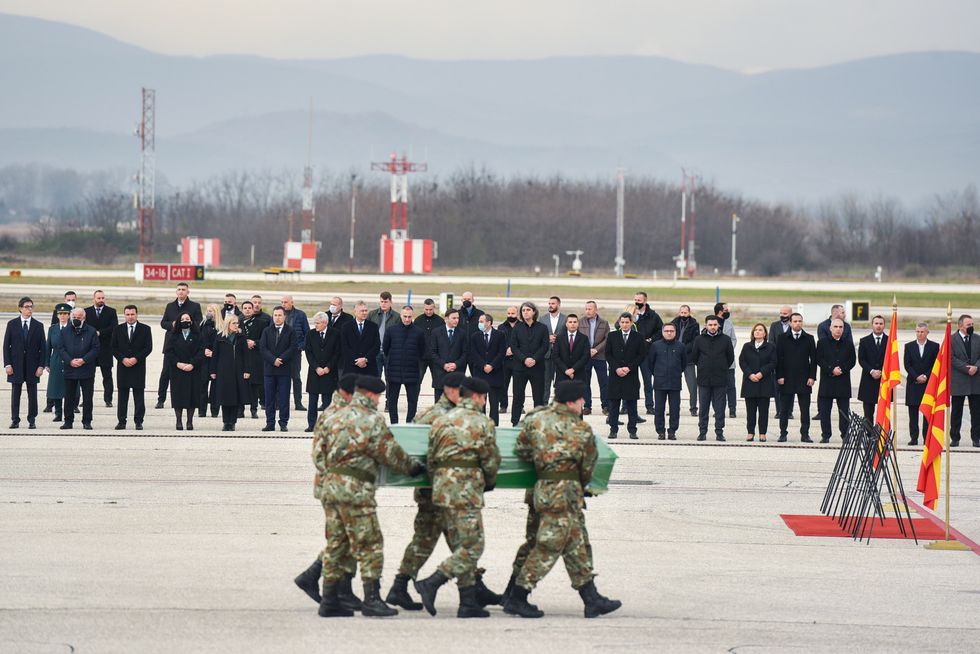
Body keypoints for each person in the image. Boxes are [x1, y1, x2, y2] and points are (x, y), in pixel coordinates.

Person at [503, 380, 621, 619]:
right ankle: (518, 595)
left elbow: (521, 450)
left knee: (577, 543)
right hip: (565, 494)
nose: (583, 404)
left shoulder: (535, 419)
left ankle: (591, 598)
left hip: (541, 490)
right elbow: (588, 467)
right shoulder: (581, 429)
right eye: (581, 400)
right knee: (548, 546)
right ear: (571, 402)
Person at [386, 372, 500, 612]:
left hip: (437, 486)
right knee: (458, 542)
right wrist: (486, 481)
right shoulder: (439, 416)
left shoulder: (438, 417)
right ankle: (460, 591)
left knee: (448, 541)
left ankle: (470, 593)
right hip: (445, 490)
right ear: (451, 391)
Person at [317, 375, 424, 618]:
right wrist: (413, 468)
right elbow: (390, 453)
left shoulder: (331, 414)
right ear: (371, 395)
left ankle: (329, 600)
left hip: (331, 486)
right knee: (370, 543)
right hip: (356, 490)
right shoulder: (371, 419)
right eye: (378, 397)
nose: (378, 401)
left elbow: (318, 454)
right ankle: (372, 599)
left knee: (336, 542)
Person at [295, 373, 362, 611]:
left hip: (335, 486)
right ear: (348, 393)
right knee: (343, 537)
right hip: (336, 487)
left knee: (345, 537)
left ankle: (339, 587)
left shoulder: (335, 413)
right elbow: (319, 456)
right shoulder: (336, 415)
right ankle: (322, 583)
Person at [157, 283, 203, 409]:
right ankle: (161, 399)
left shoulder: (194, 306)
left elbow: (199, 323)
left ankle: (188, 400)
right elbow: (163, 323)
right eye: (179, 289)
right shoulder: (170, 306)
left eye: (183, 290)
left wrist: (187, 323)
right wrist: (173, 325)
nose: (181, 292)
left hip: (189, 345)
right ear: (176, 291)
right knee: (165, 373)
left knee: (188, 374)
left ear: (188, 292)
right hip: (171, 343)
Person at [691, 315, 735, 442]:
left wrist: (721, 367)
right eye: (710, 325)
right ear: (705, 325)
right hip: (704, 379)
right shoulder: (699, 339)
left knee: (720, 407)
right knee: (703, 407)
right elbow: (694, 357)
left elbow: (730, 357)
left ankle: (719, 432)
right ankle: (702, 432)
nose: (712, 327)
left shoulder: (725, 340)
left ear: (718, 325)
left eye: (715, 325)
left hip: (720, 379)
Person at [4, 296, 46, 429]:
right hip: (15, 366)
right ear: (20, 309)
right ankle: (15, 419)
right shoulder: (12, 324)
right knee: (15, 393)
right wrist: (8, 364)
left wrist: (41, 366)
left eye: (31, 307)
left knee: (32, 394)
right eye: (27, 307)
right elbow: (6, 346)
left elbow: (43, 348)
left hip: (33, 366)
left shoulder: (38, 326)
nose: (30, 309)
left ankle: (32, 419)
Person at [775, 313, 817, 443]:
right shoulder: (782, 338)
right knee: (784, 410)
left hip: (804, 380)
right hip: (786, 379)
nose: (797, 323)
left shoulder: (809, 338)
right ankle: (783, 433)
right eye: (795, 321)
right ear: (790, 323)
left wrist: (812, 377)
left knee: (805, 409)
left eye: (800, 321)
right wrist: (779, 376)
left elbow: (814, 360)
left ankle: (805, 434)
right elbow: (778, 359)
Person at [110, 305, 153, 430]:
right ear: (124, 315)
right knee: (122, 396)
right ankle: (121, 421)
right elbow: (113, 347)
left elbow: (148, 347)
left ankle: (138, 421)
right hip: (123, 367)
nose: (130, 317)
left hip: (138, 366)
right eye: (127, 314)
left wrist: (136, 358)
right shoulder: (118, 329)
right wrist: (122, 359)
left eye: (132, 314)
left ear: (137, 314)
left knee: (138, 396)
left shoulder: (145, 329)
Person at [382, 305, 426, 424]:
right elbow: (385, 349)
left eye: (409, 317)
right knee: (392, 401)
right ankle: (394, 424)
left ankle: (409, 424)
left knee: (412, 401)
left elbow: (422, 352)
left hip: (412, 372)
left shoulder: (419, 332)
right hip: (394, 372)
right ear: (400, 316)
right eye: (405, 316)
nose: (407, 319)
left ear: (413, 316)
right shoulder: (391, 330)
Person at [815, 318, 856, 443]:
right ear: (830, 328)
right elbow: (819, 359)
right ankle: (826, 435)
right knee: (825, 411)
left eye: (841, 327)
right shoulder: (822, 343)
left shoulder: (848, 344)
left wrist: (842, 369)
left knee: (844, 411)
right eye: (836, 327)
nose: (838, 329)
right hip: (827, 381)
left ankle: (845, 434)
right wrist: (831, 369)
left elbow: (852, 360)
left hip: (843, 382)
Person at [605, 312, 645, 439]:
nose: (624, 324)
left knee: (631, 404)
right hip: (615, 375)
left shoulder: (638, 337)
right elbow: (608, 354)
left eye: (627, 322)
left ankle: (632, 430)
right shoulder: (612, 336)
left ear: (631, 323)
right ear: (619, 323)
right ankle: (613, 429)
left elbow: (641, 355)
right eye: (622, 322)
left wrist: (629, 368)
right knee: (614, 404)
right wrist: (616, 368)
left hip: (631, 375)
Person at [509, 301, 549, 426]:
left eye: (528, 310)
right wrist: (524, 359)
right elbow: (514, 347)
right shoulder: (517, 328)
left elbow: (544, 346)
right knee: (518, 396)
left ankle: (538, 423)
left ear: (534, 312)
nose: (525, 312)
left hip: (537, 368)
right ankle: (515, 422)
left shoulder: (542, 328)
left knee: (538, 397)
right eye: (523, 310)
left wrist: (534, 359)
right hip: (520, 368)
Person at [59, 307, 99, 430]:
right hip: (70, 368)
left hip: (86, 369)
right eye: (74, 317)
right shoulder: (65, 331)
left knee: (87, 397)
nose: (76, 319)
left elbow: (95, 349)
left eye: (79, 317)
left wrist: (83, 360)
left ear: (84, 318)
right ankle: (68, 421)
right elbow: (61, 348)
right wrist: (70, 361)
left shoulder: (91, 331)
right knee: (69, 396)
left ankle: (87, 421)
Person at [164, 312, 203, 431]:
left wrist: (192, 363)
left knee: (192, 396)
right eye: (183, 319)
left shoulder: (197, 335)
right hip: (177, 370)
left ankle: (190, 421)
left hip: (192, 369)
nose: (185, 321)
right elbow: (168, 351)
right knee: (178, 395)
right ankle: (179, 420)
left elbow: (201, 351)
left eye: (187, 318)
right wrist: (177, 363)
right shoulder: (173, 335)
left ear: (191, 321)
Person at [209, 314, 249, 431]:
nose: (236, 325)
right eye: (234, 323)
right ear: (228, 324)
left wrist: (247, 370)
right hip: (223, 371)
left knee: (235, 397)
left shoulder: (241, 337)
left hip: (238, 371)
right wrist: (213, 371)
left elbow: (246, 355)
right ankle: (226, 421)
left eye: (237, 323)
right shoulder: (220, 337)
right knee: (225, 397)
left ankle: (233, 421)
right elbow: (215, 355)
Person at [738, 323, 776, 442]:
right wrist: (750, 374)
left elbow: (773, 362)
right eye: (756, 330)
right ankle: (750, 432)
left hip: (764, 382)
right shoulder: (747, 346)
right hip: (750, 382)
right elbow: (742, 361)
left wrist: (761, 373)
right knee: (750, 411)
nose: (758, 332)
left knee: (763, 410)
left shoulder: (770, 347)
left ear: (765, 334)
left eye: (760, 330)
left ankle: (762, 433)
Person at [260, 306, 295, 432]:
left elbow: (292, 348)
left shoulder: (290, 331)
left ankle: (283, 422)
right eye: (275, 315)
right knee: (269, 398)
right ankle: (270, 423)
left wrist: (281, 359)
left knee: (284, 397)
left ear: (284, 317)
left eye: (280, 315)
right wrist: (273, 360)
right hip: (269, 369)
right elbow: (263, 348)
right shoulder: (266, 331)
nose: (277, 317)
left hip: (284, 369)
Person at [303, 312, 341, 432]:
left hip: (329, 373)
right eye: (315, 323)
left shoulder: (335, 334)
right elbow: (308, 352)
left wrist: (328, 367)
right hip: (315, 372)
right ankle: (311, 425)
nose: (316, 325)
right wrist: (316, 367)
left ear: (325, 323)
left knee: (327, 402)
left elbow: (337, 353)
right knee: (312, 402)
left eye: (318, 323)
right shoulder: (310, 334)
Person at [649, 322, 687, 440]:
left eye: (672, 331)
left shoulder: (681, 346)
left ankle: (672, 431)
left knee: (675, 409)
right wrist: (658, 374)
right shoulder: (655, 346)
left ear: (675, 332)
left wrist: (675, 373)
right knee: (659, 409)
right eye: (666, 331)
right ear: (662, 332)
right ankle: (660, 431)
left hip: (675, 382)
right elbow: (651, 363)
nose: (669, 333)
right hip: (660, 383)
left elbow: (684, 364)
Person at [904, 323, 939, 446]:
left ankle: (926, 438)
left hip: (927, 385)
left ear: (927, 333)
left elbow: (935, 364)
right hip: (913, 384)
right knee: (913, 414)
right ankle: (914, 438)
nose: (920, 334)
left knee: (927, 413)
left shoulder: (934, 346)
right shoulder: (909, 346)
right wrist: (916, 376)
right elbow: (907, 365)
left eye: (922, 332)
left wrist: (925, 376)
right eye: (918, 331)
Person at [468, 313, 507, 425]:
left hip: (495, 374)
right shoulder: (475, 336)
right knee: (480, 404)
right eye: (479, 321)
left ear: (489, 323)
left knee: (494, 404)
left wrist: (492, 365)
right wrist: (483, 365)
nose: (479, 324)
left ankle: (494, 426)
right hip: (480, 374)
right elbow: (473, 353)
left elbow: (501, 352)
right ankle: (481, 425)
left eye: (481, 321)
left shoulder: (500, 335)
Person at [84, 290, 118, 408]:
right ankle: (86, 399)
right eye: (98, 298)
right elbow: (84, 327)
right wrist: (93, 333)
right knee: (88, 377)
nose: (101, 300)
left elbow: (114, 327)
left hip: (106, 349)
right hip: (90, 349)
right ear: (94, 299)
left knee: (107, 376)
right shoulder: (86, 311)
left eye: (103, 298)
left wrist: (100, 333)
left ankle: (108, 399)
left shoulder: (111, 312)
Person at [950, 314, 980, 447]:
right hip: (959, 381)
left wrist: (976, 367)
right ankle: (955, 438)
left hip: (975, 381)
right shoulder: (951, 339)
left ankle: (976, 438)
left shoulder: (977, 338)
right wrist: (966, 368)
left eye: (972, 325)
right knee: (956, 411)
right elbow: (951, 358)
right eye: (969, 325)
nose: (971, 327)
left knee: (976, 412)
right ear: (960, 326)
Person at [632, 292, 663, 417]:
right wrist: (632, 317)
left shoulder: (653, 316)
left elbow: (661, 330)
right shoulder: (631, 313)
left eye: (639, 300)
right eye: (635, 300)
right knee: (630, 381)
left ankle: (650, 406)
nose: (636, 302)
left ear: (645, 301)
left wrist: (651, 340)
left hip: (646, 353)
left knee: (647, 381)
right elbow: (619, 325)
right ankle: (625, 406)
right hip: (632, 353)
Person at [430, 309, 468, 403]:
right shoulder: (436, 332)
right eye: (453, 318)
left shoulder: (462, 333)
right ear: (446, 319)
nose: (456, 320)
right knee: (439, 406)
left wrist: (456, 364)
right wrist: (443, 365)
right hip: (440, 374)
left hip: (457, 374)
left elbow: (465, 353)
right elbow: (432, 352)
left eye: (458, 318)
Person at [240, 300, 268, 418]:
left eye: (249, 308)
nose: (247, 310)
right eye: (245, 308)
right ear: (242, 310)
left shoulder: (262, 323)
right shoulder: (237, 322)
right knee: (240, 384)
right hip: (241, 357)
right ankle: (240, 410)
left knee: (254, 385)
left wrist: (254, 342)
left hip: (255, 357)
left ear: (253, 310)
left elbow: (265, 340)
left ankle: (253, 409)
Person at [857, 315, 888, 421]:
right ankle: (869, 435)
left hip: (884, 381)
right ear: (872, 325)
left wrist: (881, 372)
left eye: (881, 324)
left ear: (884, 325)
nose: (878, 326)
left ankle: (880, 435)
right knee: (868, 413)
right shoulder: (864, 341)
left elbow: (892, 361)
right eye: (876, 323)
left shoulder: (890, 341)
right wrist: (871, 371)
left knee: (883, 413)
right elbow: (861, 359)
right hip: (868, 380)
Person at [281, 295, 309, 411]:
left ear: (292, 302)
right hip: (281, 353)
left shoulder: (300, 315)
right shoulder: (278, 314)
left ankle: (298, 402)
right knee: (281, 378)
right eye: (282, 302)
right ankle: (281, 402)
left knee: (296, 378)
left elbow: (307, 333)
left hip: (295, 353)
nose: (283, 304)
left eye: (286, 302)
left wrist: (301, 346)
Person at [671, 305, 700, 417]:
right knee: (673, 385)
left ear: (689, 312)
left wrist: (682, 348)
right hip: (675, 358)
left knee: (692, 385)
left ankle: (693, 408)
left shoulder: (694, 324)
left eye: (685, 313)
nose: (683, 315)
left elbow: (695, 341)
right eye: (681, 312)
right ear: (679, 313)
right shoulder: (673, 323)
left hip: (688, 359)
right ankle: (673, 408)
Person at [582, 301, 610, 417]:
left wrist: (596, 349)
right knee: (585, 382)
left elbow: (607, 339)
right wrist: (587, 350)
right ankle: (587, 406)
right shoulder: (580, 322)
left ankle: (606, 406)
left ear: (596, 310)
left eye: (590, 309)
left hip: (600, 356)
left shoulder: (604, 323)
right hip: (585, 357)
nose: (587, 311)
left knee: (604, 382)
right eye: (586, 309)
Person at [45, 303, 71, 422]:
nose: (62, 316)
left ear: (69, 315)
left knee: (69, 388)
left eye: (65, 313)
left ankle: (68, 413)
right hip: (55, 359)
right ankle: (58, 413)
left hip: (69, 360)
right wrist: (47, 363)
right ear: (57, 315)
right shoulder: (53, 328)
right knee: (56, 387)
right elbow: (48, 347)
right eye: (60, 314)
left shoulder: (72, 327)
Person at [340, 301, 381, 377]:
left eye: (366, 310)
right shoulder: (346, 327)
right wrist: (357, 361)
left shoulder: (373, 326)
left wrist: (365, 359)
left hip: (369, 368)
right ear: (355, 312)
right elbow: (344, 346)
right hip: (351, 368)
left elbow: (376, 346)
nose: (364, 313)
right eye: (362, 311)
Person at [768, 306, 793, 419]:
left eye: (785, 313)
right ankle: (779, 411)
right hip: (777, 361)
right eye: (781, 313)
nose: (783, 315)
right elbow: (771, 341)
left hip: (791, 361)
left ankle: (789, 412)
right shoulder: (774, 325)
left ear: (790, 314)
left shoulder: (794, 325)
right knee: (777, 388)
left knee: (790, 388)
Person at [413, 298, 445, 388]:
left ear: (434, 308)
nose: (428, 312)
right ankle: (414, 402)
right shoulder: (418, 321)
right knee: (416, 382)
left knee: (438, 383)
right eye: (426, 309)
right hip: (421, 357)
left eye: (430, 309)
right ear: (423, 308)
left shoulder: (440, 321)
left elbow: (443, 340)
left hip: (435, 358)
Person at [199, 304, 223, 418]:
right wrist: (203, 350)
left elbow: (223, 343)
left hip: (216, 360)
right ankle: (202, 410)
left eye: (212, 311)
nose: (209, 313)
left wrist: (214, 353)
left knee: (215, 387)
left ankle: (214, 410)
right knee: (202, 385)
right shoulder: (202, 325)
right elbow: (198, 341)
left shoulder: (221, 326)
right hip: (204, 359)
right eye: (208, 310)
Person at [368, 291, 399, 378]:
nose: (383, 304)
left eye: (386, 302)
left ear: (391, 302)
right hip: (375, 352)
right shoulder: (372, 315)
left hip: (389, 353)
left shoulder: (397, 317)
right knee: (375, 379)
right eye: (382, 302)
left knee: (390, 378)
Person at [714, 302, 738, 418]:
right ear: (720, 311)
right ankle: (717, 409)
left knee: (731, 386)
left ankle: (732, 409)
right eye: (726, 310)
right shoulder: (712, 323)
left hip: (728, 361)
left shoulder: (729, 323)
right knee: (717, 387)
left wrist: (727, 349)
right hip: (715, 362)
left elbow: (734, 339)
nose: (728, 311)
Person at [541, 296, 566, 404]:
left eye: (553, 303)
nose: (550, 305)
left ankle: (559, 403)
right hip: (546, 355)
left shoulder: (566, 319)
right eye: (549, 303)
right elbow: (538, 335)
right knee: (545, 381)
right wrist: (548, 338)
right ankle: (544, 403)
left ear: (558, 305)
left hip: (561, 355)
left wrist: (558, 339)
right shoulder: (543, 318)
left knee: (560, 381)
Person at [554, 314, 591, 386]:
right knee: (562, 397)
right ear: (566, 324)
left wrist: (573, 369)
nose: (572, 324)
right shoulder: (559, 338)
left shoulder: (584, 338)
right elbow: (555, 356)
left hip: (578, 375)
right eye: (570, 322)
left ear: (578, 324)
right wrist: (566, 370)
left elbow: (586, 356)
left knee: (578, 397)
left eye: (575, 322)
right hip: (562, 374)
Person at [496, 306, 520, 414]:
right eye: (509, 313)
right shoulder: (501, 327)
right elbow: (498, 341)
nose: (510, 316)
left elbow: (524, 342)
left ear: (517, 314)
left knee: (518, 386)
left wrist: (514, 350)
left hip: (518, 360)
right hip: (505, 361)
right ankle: (503, 405)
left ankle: (519, 405)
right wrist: (505, 350)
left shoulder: (522, 326)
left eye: (513, 313)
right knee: (503, 385)